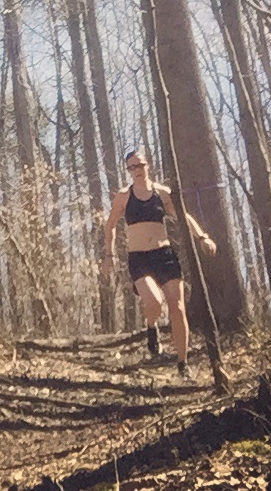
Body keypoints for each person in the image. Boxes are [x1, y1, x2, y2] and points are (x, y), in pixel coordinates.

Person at [102, 150, 217, 379]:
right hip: (139, 258)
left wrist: (202, 236)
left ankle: (182, 364)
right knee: (154, 302)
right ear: (128, 171)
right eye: (132, 167)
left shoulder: (162, 193)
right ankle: (151, 326)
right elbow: (111, 225)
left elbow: (183, 217)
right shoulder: (124, 197)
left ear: (148, 165)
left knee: (178, 308)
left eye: (140, 165)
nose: (136, 170)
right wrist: (109, 255)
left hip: (164, 255)